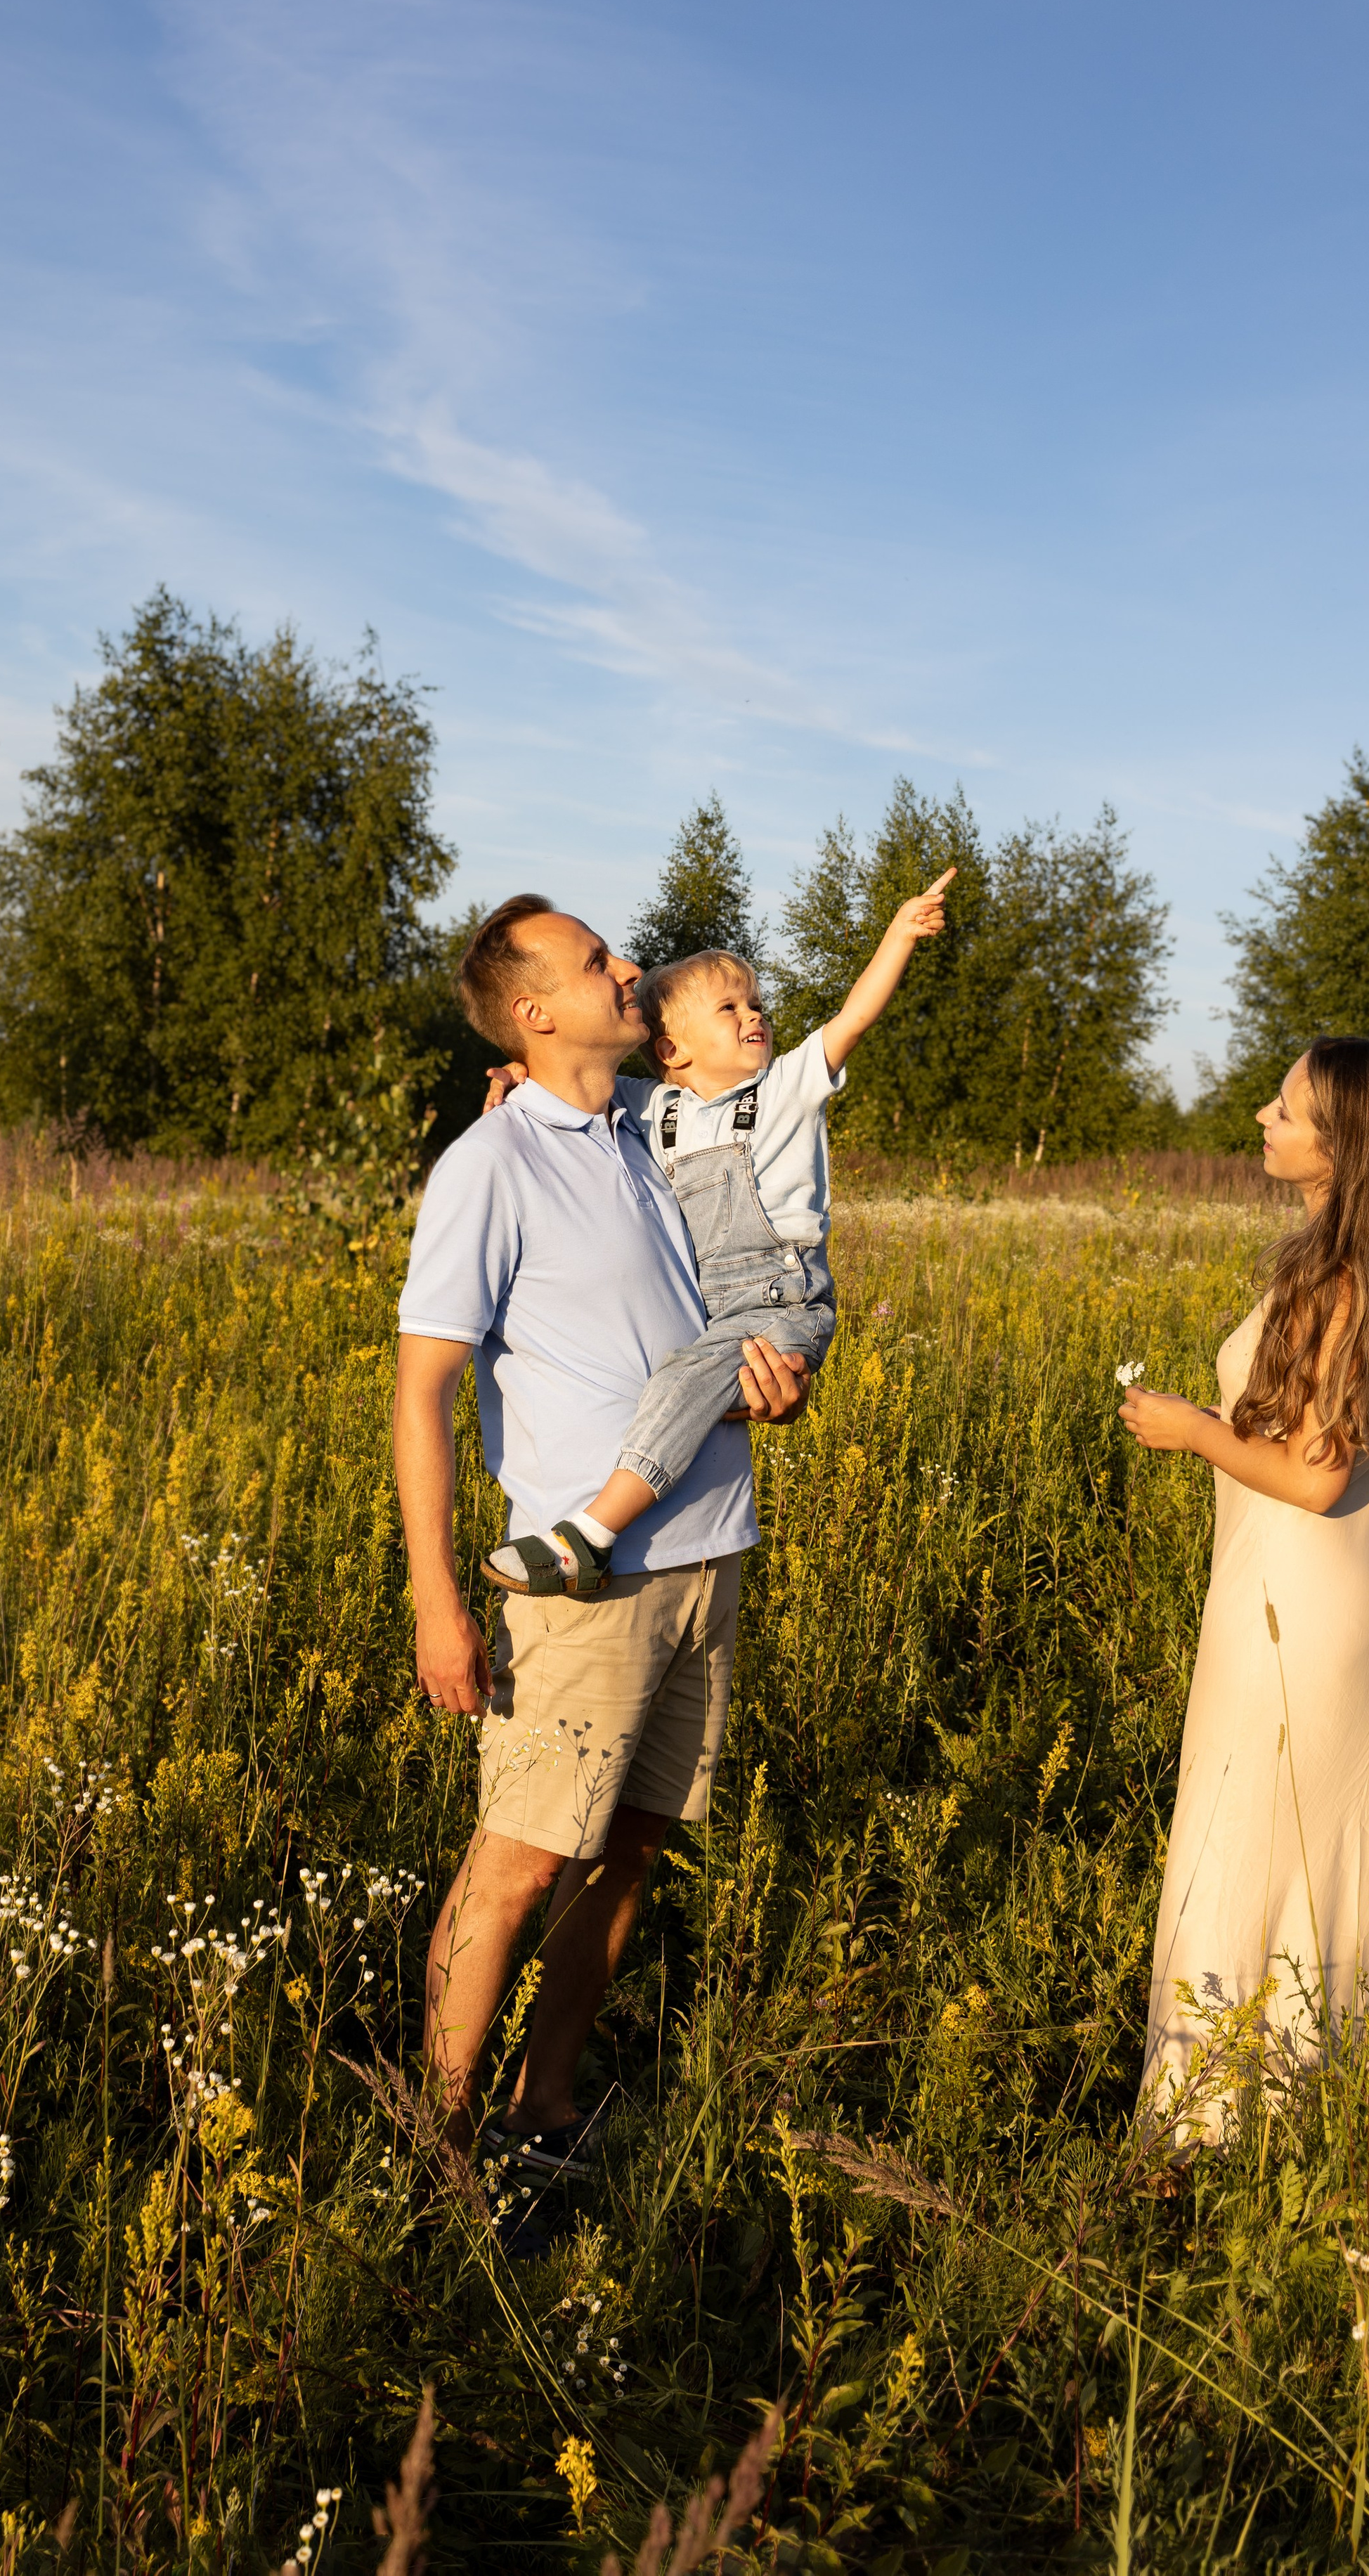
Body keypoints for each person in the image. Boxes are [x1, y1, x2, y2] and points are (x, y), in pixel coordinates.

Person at [392, 895, 810, 2194]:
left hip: (705, 1553)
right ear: (534, 1013)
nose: (630, 969)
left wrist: (771, 1380)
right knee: (518, 1862)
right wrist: (437, 1602)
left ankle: (547, 2111)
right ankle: (443, 2156)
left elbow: (714, 1310)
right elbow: (422, 1392)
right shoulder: (491, 1166)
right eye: (596, 962)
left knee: (629, 1851)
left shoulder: (643, 1132)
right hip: (588, 1585)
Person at [1120, 1037, 1369, 2136]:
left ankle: (1213, 2131)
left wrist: (1192, 1432)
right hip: (1351, 1595)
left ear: (1343, 1143)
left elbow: (1314, 1480)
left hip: (1301, 1605)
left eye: (1288, 1107)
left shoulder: (1344, 1276)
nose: (1263, 1117)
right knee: (1317, 1851)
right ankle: (1328, 2113)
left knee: (1246, 1838)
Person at [480, 869, 955, 1597]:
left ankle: (591, 1534)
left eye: (756, 1003)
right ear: (671, 1051)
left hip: (776, 1303)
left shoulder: (785, 1091)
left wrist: (898, 934)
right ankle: (628, 1531)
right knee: (677, 1383)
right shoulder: (653, 1107)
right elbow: (569, 1072)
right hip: (714, 1311)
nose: (752, 1016)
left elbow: (853, 1019)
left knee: (681, 1379)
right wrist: (520, 1070)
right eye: (727, 1008)